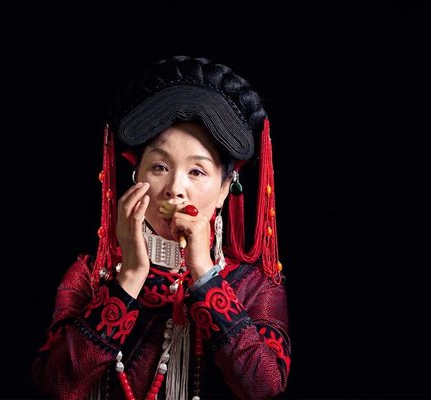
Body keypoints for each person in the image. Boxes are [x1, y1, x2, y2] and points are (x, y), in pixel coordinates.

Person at [32, 55, 290, 400]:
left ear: (224, 189)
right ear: (136, 176)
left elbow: (264, 386)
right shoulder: (90, 276)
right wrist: (131, 275)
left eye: (196, 171)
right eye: (159, 167)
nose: (175, 189)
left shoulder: (256, 287)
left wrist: (204, 275)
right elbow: (57, 385)